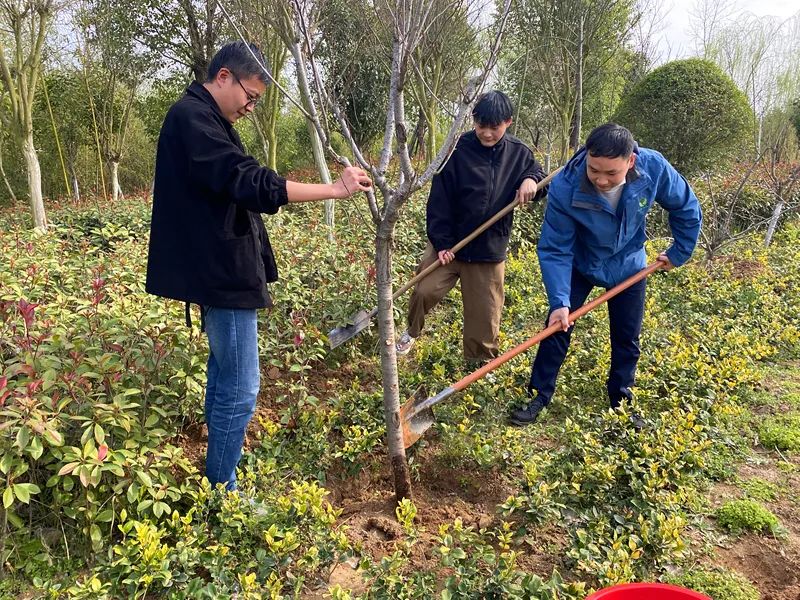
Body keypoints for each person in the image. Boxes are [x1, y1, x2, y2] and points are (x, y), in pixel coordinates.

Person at [145, 41, 371, 491]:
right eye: (250, 95)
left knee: (224, 376)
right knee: (242, 386)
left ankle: (222, 467)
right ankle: (222, 490)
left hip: (219, 269)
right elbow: (246, 180)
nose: (251, 107)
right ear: (223, 76)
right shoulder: (191, 119)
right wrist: (333, 189)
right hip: (221, 274)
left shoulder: (208, 118)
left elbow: (235, 179)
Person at [509, 123, 702, 427]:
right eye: (594, 169)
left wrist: (679, 252)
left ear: (631, 162)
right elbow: (556, 248)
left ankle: (621, 400)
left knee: (627, 337)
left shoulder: (654, 168)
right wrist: (560, 301)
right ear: (587, 157)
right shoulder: (566, 184)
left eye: (611, 173)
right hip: (582, 263)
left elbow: (686, 206)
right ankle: (538, 395)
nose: (600, 179)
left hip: (628, 263)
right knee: (557, 326)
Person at [395, 90, 546, 364]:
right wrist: (441, 244)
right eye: (481, 126)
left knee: (485, 317)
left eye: (494, 127)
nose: (486, 133)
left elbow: (539, 176)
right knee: (423, 291)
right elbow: (438, 201)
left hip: (488, 251)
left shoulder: (519, 153)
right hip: (450, 244)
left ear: (508, 122)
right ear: (473, 121)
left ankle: (478, 367)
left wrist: (531, 180)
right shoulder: (456, 150)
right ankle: (411, 331)